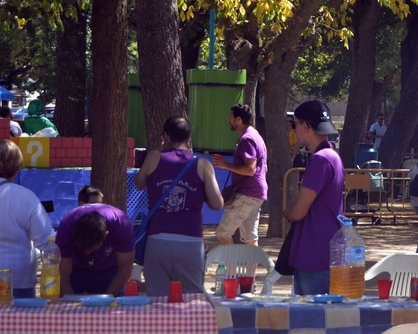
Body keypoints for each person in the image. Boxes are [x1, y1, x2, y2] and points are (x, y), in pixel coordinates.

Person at [134, 116, 223, 296]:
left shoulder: (153, 158)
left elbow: (139, 183)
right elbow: (217, 204)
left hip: (157, 240)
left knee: (157, 299)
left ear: (165, 136)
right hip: (190, 242)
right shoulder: (202, 164)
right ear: (189, 136)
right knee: (192, 299)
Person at [284, 100, 344, 296]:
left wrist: (287, 212)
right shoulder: (332, 156)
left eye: (295, 124)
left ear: (306, 126)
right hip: (322, 252)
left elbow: (298, 211)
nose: (293, 129)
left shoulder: (319, 160)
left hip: (314, 254)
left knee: (311, 323)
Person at [0, 139, 52, 298]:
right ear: (17, 167)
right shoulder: (27, 197)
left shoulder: (27, 197)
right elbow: (47, 242)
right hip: (20, 282)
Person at [213, 103, 267, 246]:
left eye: (231, 117)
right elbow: (263, 169)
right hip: (256, 193)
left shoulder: (247, 139)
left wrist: (226, 165)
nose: (228, 120)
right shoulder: (256, 136)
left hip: (246, 193)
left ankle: (229, 269)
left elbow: (250, 170)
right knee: (250, 238)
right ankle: (249, 269)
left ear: (238, 120)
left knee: (224, 233)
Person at [55, 202, 135, 296]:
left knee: (111, 307)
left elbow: (125, 269)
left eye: (92, 249)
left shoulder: (122, 225)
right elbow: (63, 275)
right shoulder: (67, 227)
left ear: (105, 235)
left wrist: (106, 299)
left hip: (110, 271)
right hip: (75, 270)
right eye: (83, 248)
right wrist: (70, 305)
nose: (87, 253)